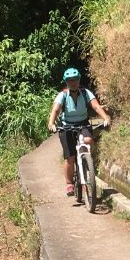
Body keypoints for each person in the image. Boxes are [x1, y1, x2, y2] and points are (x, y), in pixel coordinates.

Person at [48, 67, 111, 197]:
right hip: (67, 126)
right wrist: (51, 123)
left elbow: (96, 106)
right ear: (66, 82)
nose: (73, 83)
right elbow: (55, 110)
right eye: (70, 80)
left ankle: (87, 160)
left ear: (79, 80)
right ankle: (69, 183)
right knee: (70, 158)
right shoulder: (63, 95)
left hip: (83, 124)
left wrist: (105, 117)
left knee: (88, 140)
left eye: (75, 80)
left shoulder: (85, 93)